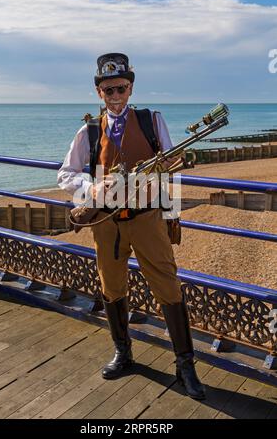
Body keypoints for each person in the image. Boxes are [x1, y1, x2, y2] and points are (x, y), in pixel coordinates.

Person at [57, 53, 205, 400]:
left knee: (168, 287)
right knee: (112, 287)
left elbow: (171, 165)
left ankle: (186, 365)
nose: (116, 95)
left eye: (121, 88)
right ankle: (123, 352)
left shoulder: (152, 120)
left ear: (131, 87)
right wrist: (90, 188)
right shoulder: (89, 130)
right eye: (108, 90)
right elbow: (66, 174)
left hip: (147, 219)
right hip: (107, 224)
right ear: (99, 92)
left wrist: (169, 187)